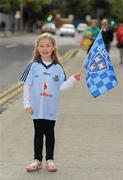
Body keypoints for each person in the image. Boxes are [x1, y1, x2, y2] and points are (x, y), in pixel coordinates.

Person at [20, 33, 81, 173]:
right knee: (38, 133)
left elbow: (61, 86)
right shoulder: (33, 66)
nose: (45, 48)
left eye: (48, 45)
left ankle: (50, 160)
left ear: (53, 48)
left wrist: (72, 79)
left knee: (50, 133)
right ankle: (37, 160)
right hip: (36, 109)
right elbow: (27, 86)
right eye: (42, 46)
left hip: (51, 108)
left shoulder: (57, 68)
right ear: (37, 48)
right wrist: (26, 104)